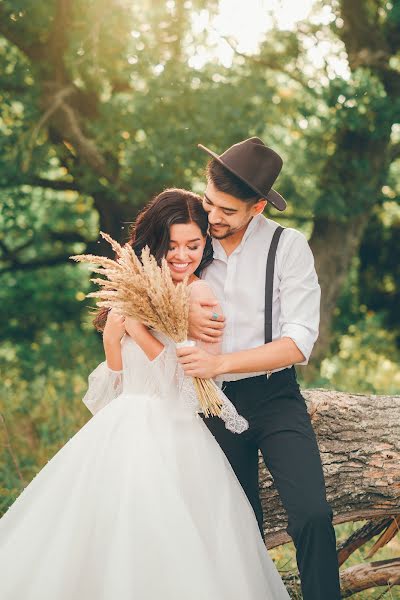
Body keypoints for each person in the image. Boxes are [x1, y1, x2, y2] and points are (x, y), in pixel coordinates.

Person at [0, 188, 290, 600]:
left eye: (193, 245)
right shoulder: (137, 291)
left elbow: (196, 388)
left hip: (175, 434)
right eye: (171, 245)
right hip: (120, 429)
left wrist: (138, 330)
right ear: (154, 243)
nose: (182, 255)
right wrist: (113, 344)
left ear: (206, 244)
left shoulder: (200, 296)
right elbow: (112, 392)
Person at [177, 138, 341, 600]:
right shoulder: (190, 238)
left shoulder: (289, 248)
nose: (213, 217)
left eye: (227, 210)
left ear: (258, 207)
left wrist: (221, 361)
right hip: (210, 404)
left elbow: (297, 342)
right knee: (237, 525)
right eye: (209, 201)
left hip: (274, 398)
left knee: (312, 514)